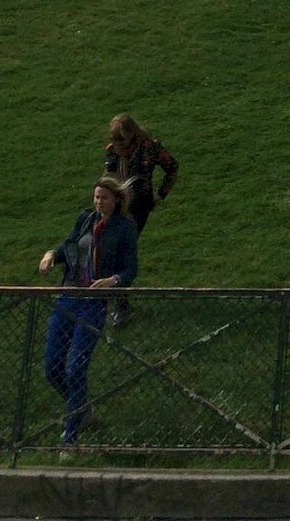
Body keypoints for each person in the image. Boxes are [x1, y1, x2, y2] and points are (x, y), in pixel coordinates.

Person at [38, 176, 138, 443]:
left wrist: (112, 281)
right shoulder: (85, 218)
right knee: (52, 366)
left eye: (104, 198)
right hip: (68, 296)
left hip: (93, 302)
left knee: (76, 367)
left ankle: (70, 435)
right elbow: (69, 245)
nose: (98, 202)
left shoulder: (124, 227)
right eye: (96, 197)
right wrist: (51, 254)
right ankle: (82, 408)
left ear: (116, 199)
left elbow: (130, 269)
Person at [103, 116, 177, 323]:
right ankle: (116, 300)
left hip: (139, 207)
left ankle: (122, 306)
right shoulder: (112, 151)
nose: (118, 144)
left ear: (132, 134)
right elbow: (108, 178)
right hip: (117, 207)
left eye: (122, 140)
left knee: (121, 250)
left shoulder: (150, 148)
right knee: (110, 250)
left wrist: (161, 195)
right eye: (115, 139)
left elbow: (172, 167)